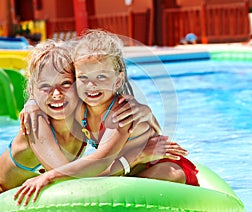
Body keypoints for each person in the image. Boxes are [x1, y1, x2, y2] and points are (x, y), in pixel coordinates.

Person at [0, 39, 178, 211]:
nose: (56, 95)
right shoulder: (37, 122)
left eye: (65, 84)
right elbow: (70, 180)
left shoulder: (83, 112)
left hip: (27, 202)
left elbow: (129, 122)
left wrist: (146, 113)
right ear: (34, 91)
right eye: (45, 87)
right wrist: (136, 156)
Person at [14, 30, 196, 206]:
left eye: (101, 76)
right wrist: (32, 103)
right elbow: (51, 85)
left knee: (160, 178)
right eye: (83, 77)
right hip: (127, 171)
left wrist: (50, 175)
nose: (92, 86)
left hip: (160, 166)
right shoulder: (82, 105)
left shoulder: (120, 113)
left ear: (117, 81)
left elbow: (100, 161)